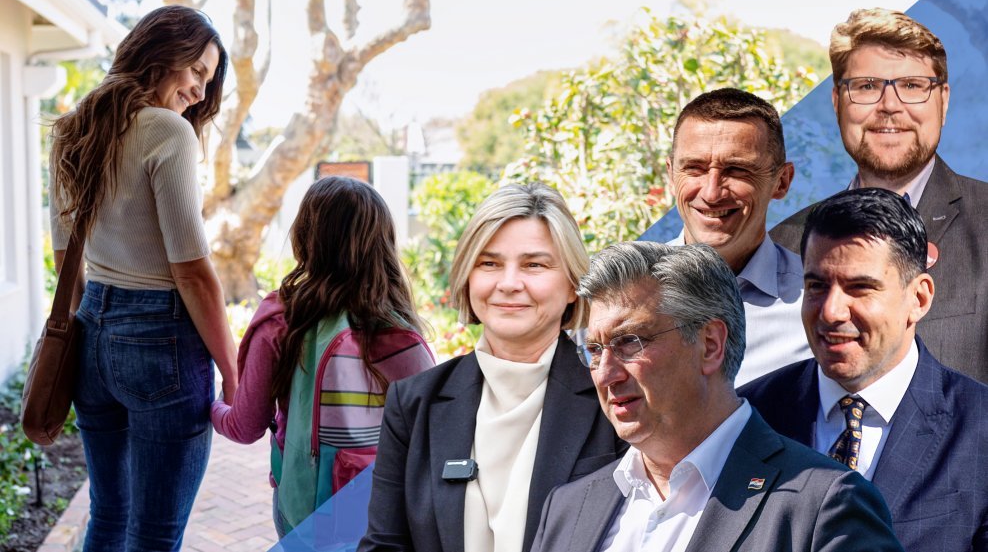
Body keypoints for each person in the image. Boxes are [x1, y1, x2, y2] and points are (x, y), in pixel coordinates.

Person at [530, 241, 903, 552]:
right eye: (595, 350)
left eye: (630, 342)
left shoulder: (823, 505)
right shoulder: (568, 508)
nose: (606, 374)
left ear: (710, 345)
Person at [48, 6, 236, 551]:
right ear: (161, 52)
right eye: (197, 71)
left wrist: (96, 333)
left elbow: (67, 262)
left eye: (208, 79)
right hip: (162, 345)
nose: (201, 91)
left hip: (91, 337)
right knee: (155, 532)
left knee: (108, 514)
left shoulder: (70, 130)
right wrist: (233, 367)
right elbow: (193, 274)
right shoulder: (167, 131)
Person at [358, 183, 626, 552]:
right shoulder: (413, 402)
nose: (509, 283)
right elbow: (385, 544)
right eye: (489, 264)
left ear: (572, 285)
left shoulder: (614, 401)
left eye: (534, 264)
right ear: (468, 278)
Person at [741, 188, 988, 552]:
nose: (830, 312)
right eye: (816, 286)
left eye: (860, 288)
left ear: (918, 298)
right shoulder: (749, 419)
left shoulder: (979, 428)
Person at [770, 8, 988, 384]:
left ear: (944, 102)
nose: (890, 105)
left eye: (913, 86)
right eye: (867, 86)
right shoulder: (784, 246)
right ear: (838, 102)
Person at [211, 176, 435, 537]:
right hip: (387, 502)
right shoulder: (396, 321)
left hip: (309, 505)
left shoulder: (283, 317)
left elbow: (246, 425)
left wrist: (213, 405)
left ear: (305, 235)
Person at [667, 88, 810, 385]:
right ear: (671, 175)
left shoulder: (820, 305)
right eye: (694, 168)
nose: (711, 192)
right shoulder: (620, 293)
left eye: (736, 170)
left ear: (781, 182)